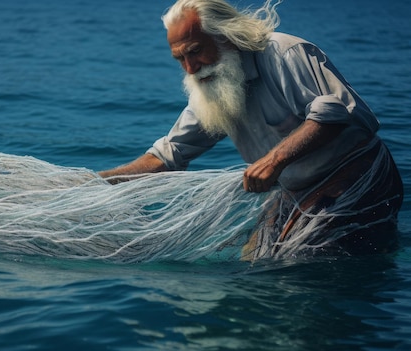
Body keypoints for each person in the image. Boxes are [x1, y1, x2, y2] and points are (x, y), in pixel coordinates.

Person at [98, 0, 404, 260]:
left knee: (298, 264)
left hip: (355, 175)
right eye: (180, 59)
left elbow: (337, 113)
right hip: (294, 189)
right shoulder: (211, 85)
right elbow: (167, 156)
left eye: (195, 51)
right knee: (254, 259)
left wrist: (274, 161)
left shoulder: (284, 53)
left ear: (226, 38)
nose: (190, 68)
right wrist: (93, 183)